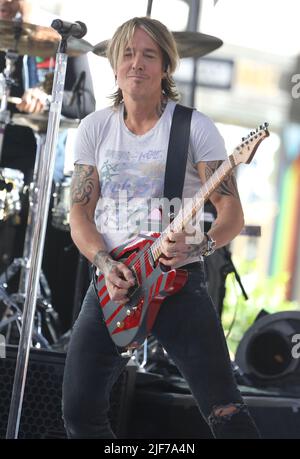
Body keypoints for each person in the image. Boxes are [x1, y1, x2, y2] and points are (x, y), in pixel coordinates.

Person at [62, 16, 260, 439]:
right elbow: (79, 214)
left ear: (166, 66)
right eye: (128, 54)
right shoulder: (95, 127)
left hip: (178, 279)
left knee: (226, 413)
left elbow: (232, 214)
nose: (137, 63)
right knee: (79, 412)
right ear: (114, 64)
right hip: (113, 283)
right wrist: (102, 261)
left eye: (149, 55)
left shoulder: (193, 127)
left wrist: (200, 248)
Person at [0, 0, 95, 331]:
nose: (4, 4)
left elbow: (85, 102)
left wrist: (49, 96)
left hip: (42, 173)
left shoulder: (60, 40)